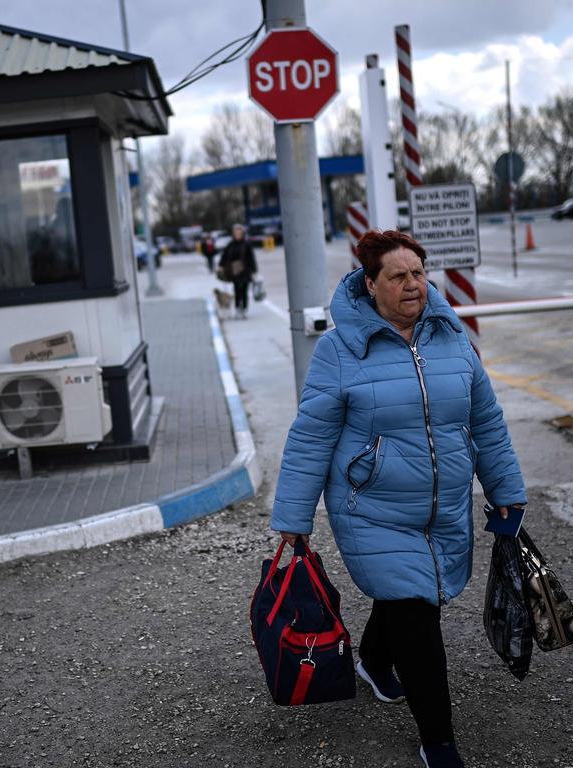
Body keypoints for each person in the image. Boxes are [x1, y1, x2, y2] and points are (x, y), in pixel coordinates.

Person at [271, 230, 526, 768]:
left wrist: (505, 490)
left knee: (415, 592)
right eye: (397, 276)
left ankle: (371, 659)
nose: (413, 284)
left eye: (418, 273)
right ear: (371, 285)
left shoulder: (451, 337)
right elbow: (311, 434)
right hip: (373, 508)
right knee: (416, 611)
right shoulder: (339, 351)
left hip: (444, 504)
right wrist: (294, 516)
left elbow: (485, 419)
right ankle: (439, 740)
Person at [217, 223, 258, 319]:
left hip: (245, 270)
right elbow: (225, 256)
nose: (237, 233)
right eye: (235, 232)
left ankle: (243, 309)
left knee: (244, 290)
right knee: (237, 290)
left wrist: (254, 270)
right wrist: (221, 266)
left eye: (239, 231)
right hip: (234, 271)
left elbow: (251, 258)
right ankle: (237, 309)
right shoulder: (230, 244)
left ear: (242, 233)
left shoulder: (246, 244)